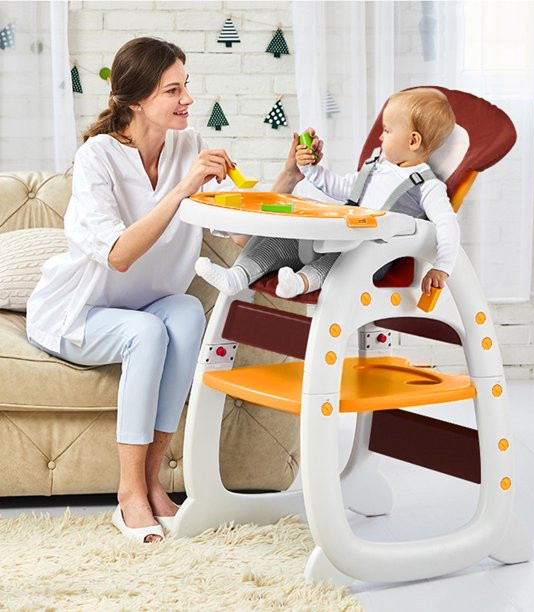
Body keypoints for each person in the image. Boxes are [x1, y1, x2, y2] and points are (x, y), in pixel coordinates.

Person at [25, 37, 304, 543]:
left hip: (146, 305)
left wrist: (288, 175)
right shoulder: (97, 157)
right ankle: (129, 493)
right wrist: (182, 189)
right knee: (147, 332)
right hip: (77, 313)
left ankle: (153, 483)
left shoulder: (188, 144)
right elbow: (119, 255)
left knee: (188, 312)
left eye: (185, 86)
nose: (187, 99)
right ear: (135, 100)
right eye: (172, 90)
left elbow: (242, 233)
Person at [196, 87, 460, 299]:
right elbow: (340, 186)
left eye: (387, 131)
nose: (381, 137)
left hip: (370, 256)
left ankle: (300, 283)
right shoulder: (376, 167)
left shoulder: (427, 186)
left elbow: (447, 224)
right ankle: (237, 276)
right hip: (336, 236)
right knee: (279, 236)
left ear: (413, 141)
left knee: (347, 254)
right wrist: (308, 168)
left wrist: (442, 267)